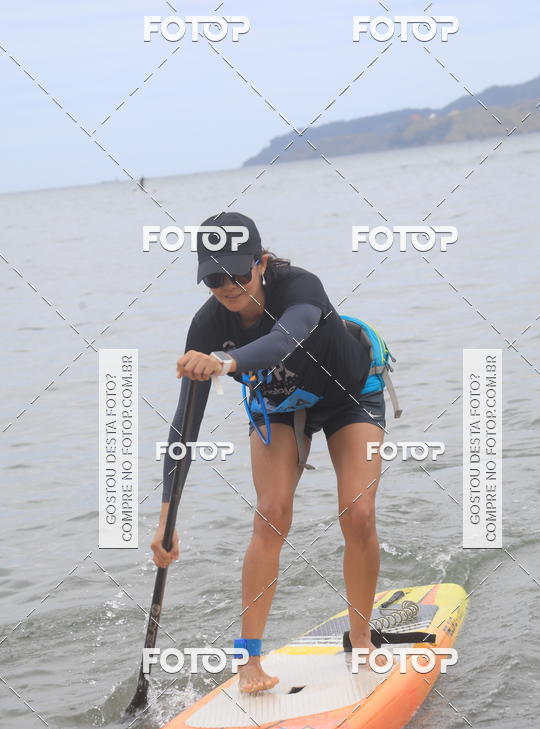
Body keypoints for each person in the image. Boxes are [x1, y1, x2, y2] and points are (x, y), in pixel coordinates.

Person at [151, 212, 399, 694]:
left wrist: (224, 362)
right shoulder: (206, 325)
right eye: (214, 277)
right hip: (280, 404)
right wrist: (165, 519)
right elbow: (185, 425)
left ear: (262, 263)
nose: (228, 286)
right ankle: (248, 661)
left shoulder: (302, 289)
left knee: (358, 512)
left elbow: (285, 339)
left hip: (349, 393)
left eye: (239, 273)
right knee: (270, 512)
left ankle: (362, 639)